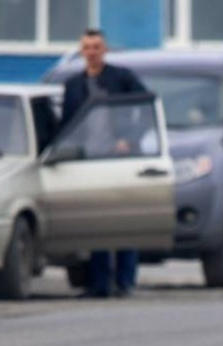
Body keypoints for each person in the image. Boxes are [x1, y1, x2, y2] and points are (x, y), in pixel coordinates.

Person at [62, 29, 147, 298]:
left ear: (105, 49)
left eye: (97, 47)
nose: (92, 52)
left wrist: (129, 139)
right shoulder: (74, 84)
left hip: (121, 160)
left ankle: (125, 282)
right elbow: (67, 124)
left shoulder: (122, 77)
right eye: (87, 47)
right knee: (96, 223)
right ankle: (98, 284)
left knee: (125, 220)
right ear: (81, 50)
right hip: (89, 161)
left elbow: (146, 108)